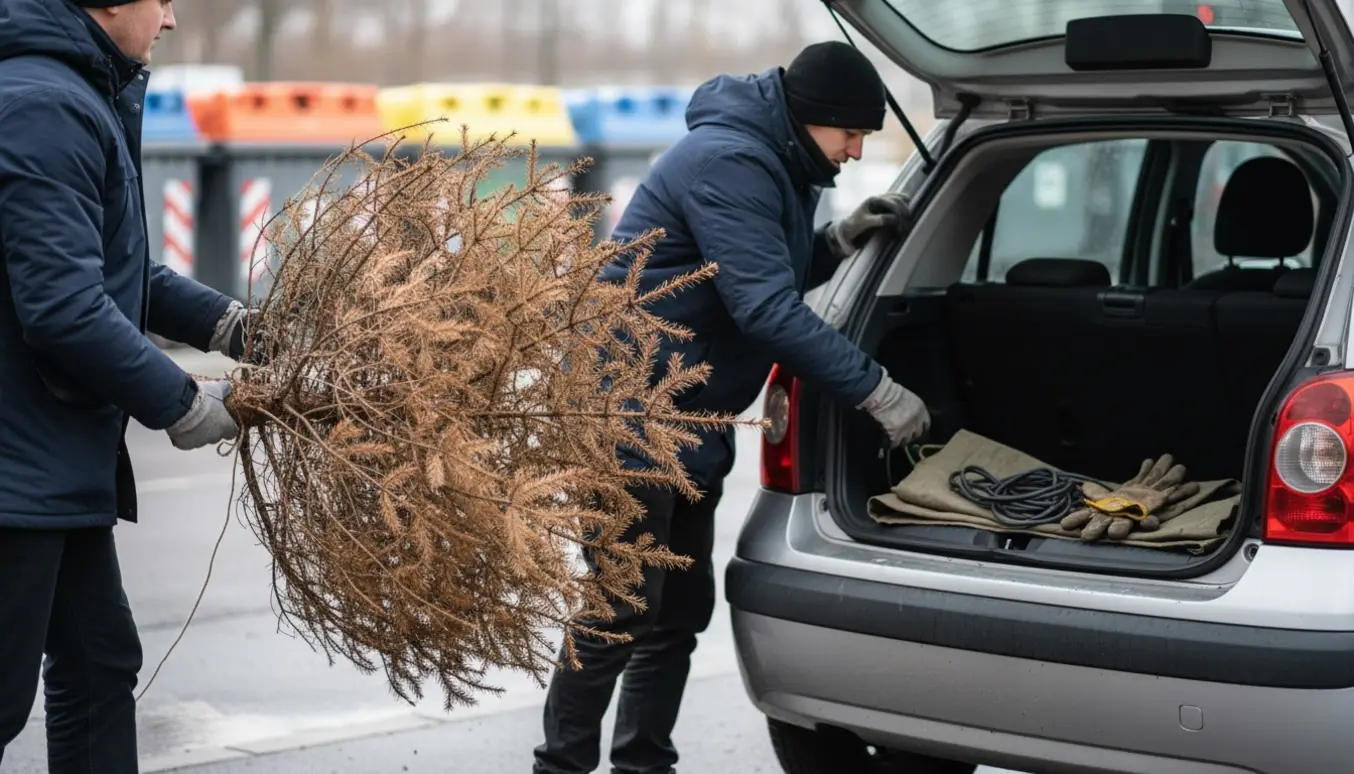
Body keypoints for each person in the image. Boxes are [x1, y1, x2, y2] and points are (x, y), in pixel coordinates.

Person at [534, 41, 930, 774]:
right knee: (621, 608)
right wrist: (876, 390)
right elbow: (766, 309)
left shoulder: (782, 161)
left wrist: (836, 241)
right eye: (851, 132)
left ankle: (643, 764)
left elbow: (751, 269)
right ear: (811, 117)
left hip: (687, 416)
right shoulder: (731, 161)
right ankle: (559, 767)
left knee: (677, 614)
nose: (855, 149)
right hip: (625, 410)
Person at [0, 0, 253, 770]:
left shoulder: (68, 89)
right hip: (17, 469)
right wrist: (182, 404)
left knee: (99, 664)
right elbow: (65, 306)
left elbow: (116, 269)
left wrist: (235, 328)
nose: (170, 19)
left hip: (48, 458)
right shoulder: (45, 105)